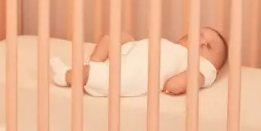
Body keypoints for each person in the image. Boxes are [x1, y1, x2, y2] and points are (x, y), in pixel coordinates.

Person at [49, 26, 228, 97]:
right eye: (200, 34)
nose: (201, 41)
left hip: (128, 76)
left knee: (90, 74)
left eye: (208, 46)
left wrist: (187, 80)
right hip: (130, 55)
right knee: (117, 36)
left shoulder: (199, 68)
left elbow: (178, 83)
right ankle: (96, 62)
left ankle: (66, 75)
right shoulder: (174, 48)